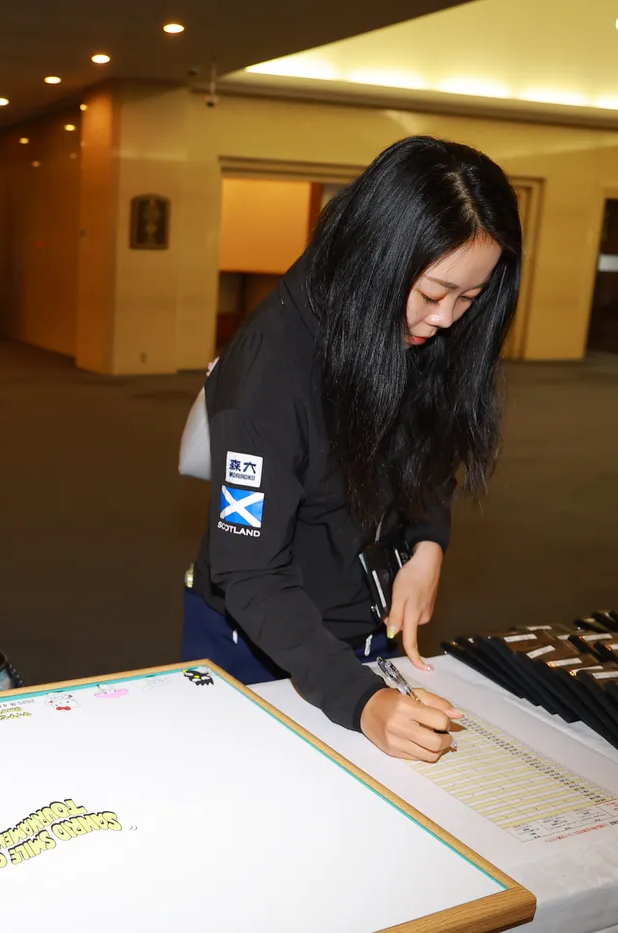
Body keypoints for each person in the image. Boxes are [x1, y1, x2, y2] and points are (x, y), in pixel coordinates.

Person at [184, 135, 522, 763]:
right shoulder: (267, 375)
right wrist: (360, 699)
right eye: (433, 294)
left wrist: (427, 544)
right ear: (377, 257)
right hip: (265, 638)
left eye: (469, 298)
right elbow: (250, 573)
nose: (447, 319)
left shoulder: (406, 325)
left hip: (364, 617)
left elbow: (426, 441)